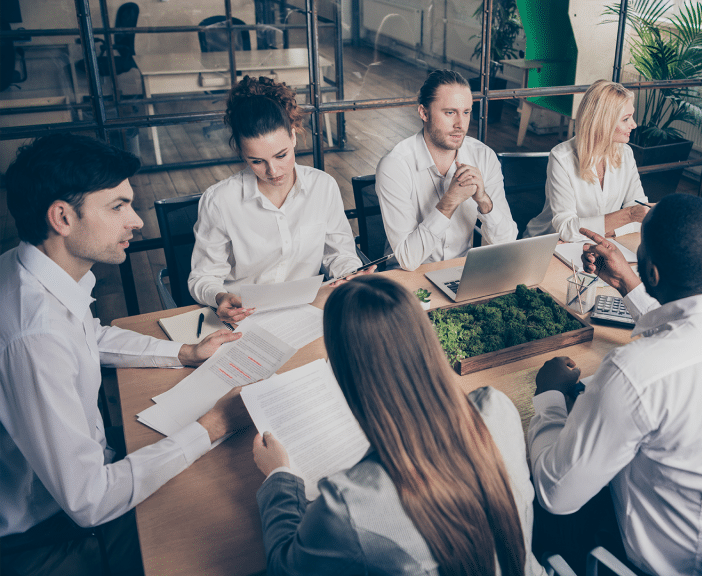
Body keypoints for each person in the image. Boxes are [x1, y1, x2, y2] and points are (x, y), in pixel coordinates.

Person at [0, 135, 251, 576]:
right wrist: (213, 426)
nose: (136, 221)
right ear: (62, 217)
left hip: (71, 486)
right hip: (46, 536)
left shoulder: (30, 269)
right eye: (117, 206)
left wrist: (186, 351)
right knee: (232, 531)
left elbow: (88, 336)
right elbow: (90, 500)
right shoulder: (34, 336)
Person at [529, 194, 702, 576]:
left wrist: (549, 397)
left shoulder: (635, 371)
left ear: (654, 272)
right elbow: (697, 333)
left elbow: (555, 494)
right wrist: (629, 283)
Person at [251, 275, 544, 576]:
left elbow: (285, 567)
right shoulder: (497, 409)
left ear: (341, 372)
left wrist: (279, 475)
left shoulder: (348, 504)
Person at [188, 75, 367, 323]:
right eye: (257, 161)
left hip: (307, 312)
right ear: (241, 153)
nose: (273, 171)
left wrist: (351, 273)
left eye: (281, 155)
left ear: (293, 137)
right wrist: (219, 296)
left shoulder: (322, 186)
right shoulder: (220, 201)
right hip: (245, 318)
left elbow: (338, 254)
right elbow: (202, 277)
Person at [375, 69, 518, 271]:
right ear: (424, 113)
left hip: (462, 272)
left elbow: (507, 242)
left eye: (466, 112)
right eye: (450, 112)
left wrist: (484, 201)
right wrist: (449, 201)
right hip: (408, 279)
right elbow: (408, 259)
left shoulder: (484, 156)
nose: (460, 124)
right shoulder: (395, 165)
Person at [524, 80, 649, 241]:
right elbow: (566, 229)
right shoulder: (561, 158)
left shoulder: (626, 153)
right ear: (603, 122)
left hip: (598, 243)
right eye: (626, 119)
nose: (634, 124)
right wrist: (628, 216)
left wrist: (610, 230)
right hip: (550, 244)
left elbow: (641, 213)